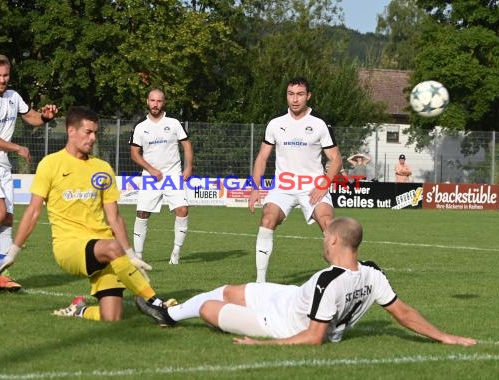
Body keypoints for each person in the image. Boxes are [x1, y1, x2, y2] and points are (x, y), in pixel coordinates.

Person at [141, 217, 477, 346]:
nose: (321, 242)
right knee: (230, 289)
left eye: (324, 238)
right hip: (289, 298)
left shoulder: (329, 282)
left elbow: (315, 337)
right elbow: (403, 313)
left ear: (332, 241)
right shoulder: (373, 272)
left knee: (210, 307)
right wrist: (446, 337)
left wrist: (264, 345)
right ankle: (168, 315)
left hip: (279, 325)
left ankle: (169, 314)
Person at [0, 106, 175, 324]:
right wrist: (11, 254)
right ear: (71, 131)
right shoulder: (50, 164)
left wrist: (131, 255)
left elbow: (114, 217)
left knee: (112, 317)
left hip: (106, 250)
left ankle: (79, 310)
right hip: (70, 247)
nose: (93, 138)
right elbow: (32, 212)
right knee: (113, 247)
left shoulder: (103, 168)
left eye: (95, 132)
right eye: (88, 132)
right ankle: (155, 303)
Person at [0, 53, 59, 291]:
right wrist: (18, 147)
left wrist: (45, 117)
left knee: (6, 220)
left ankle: (0, 274)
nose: (2, 80)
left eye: (5, 75)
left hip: (2, 163)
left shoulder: (13, 96)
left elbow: (31, 117)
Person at [248, 77, 342, 282]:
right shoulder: (275, 124)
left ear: (308, 96)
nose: (295, 99)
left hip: (313, 186)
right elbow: (262, 157)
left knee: (328, 222)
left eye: (300, 94)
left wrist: (324, 184)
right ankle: (260, 282)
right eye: (291, 94)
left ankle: (339, 276)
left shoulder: (319, 123)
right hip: (283, 186)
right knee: (267, 219)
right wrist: (255, 187)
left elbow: (336, 159)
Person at [129, 89, 193, 265]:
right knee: (142, 213)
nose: (155, 104)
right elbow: (134, 153)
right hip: (151, 176)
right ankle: (139, 256)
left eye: (159, 101)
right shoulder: (140, 127)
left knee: (182, 210)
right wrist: (150, 169)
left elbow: (187, 145)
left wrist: (189, 167)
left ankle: (176, 253)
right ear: (147, 101)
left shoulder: (173, 123)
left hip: (172, 174)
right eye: (152, 100)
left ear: (163, 103)